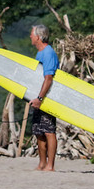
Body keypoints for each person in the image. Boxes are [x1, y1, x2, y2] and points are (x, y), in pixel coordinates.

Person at [29, 24, 59, 171]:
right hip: (39, 96)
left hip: (48, 97)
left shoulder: (48, 53)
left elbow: (48, 78)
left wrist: (40, 99)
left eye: (32, 34)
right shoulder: (40, 53)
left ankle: (50, 165)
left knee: (48, 131)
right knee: (38, 131)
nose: (30, 37)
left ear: (39, 37)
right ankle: (42, 163)